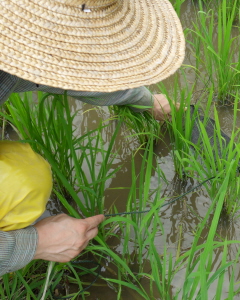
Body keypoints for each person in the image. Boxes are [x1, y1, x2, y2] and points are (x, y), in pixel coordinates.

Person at [0, 0, 185, 276]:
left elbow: (68, 76)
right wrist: (35, 243)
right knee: (27, 181)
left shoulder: (14, 46)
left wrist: (146, 100)